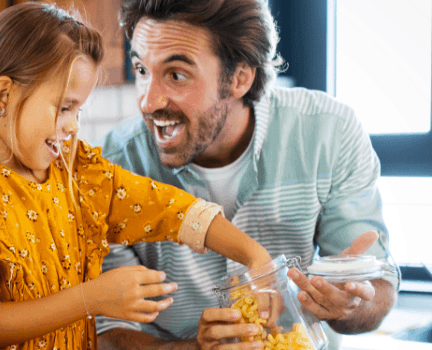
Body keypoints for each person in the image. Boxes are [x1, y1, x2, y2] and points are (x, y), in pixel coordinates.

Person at [0, 3, 277, 350]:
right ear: (4, 94)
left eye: (79, 109)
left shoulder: (75, 169)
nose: (72, 126)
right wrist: (91, 298)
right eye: (65, 107)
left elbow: (168, 209)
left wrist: (254, 255)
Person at [96, 0, 400, 349]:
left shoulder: (328, 133)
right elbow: (108, 329)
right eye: (142, 70)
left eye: (176, 75)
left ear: (240, 77)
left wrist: (352, 300)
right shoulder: (117, 164)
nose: (148, 102)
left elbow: (378, 289)